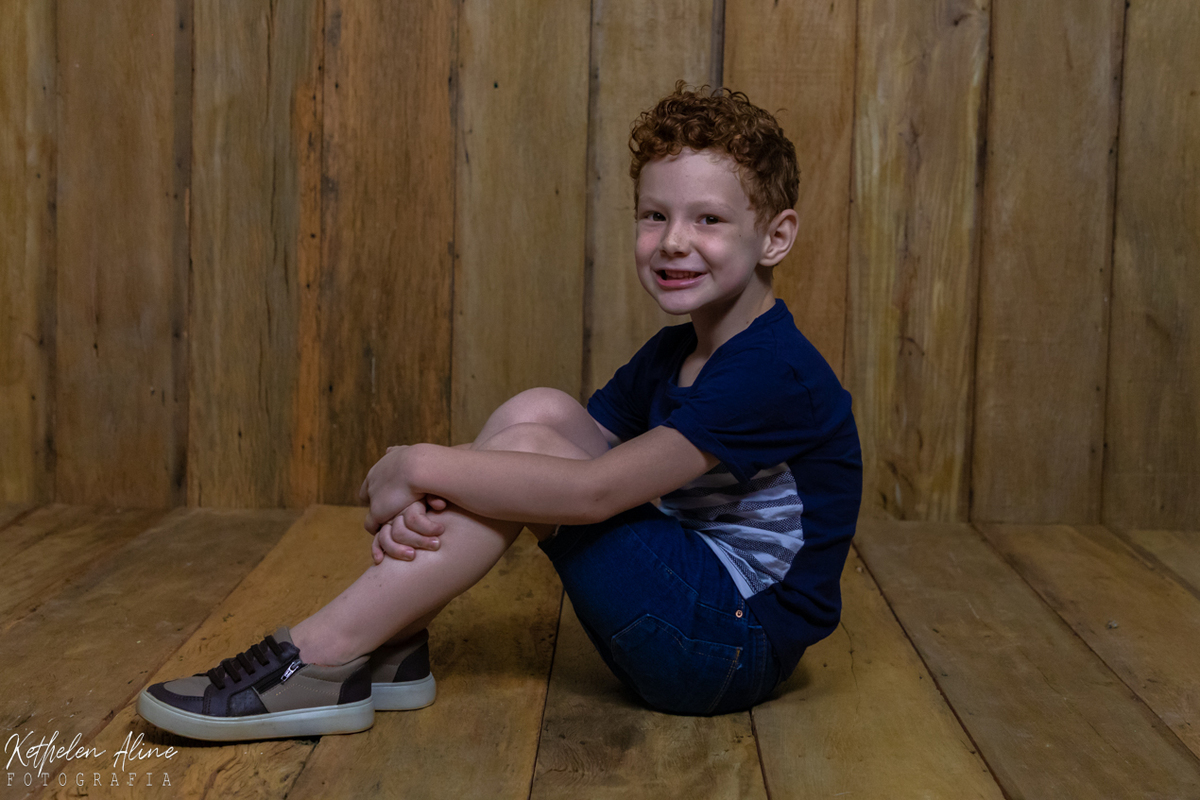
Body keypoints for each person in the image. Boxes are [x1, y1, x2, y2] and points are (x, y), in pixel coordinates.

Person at [138, 83, 862, 741]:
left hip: (728, 647)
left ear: (775, 237)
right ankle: (394, 642)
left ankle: (320, 654)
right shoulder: (677, 351)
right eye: (654, 215)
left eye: (708, 219)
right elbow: (554, 445)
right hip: (689, 600)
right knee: (536, 410)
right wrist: (450, 485)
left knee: (533, 460)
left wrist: (419, 465)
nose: (673, 240)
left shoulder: (772, 370)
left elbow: (594, 491)